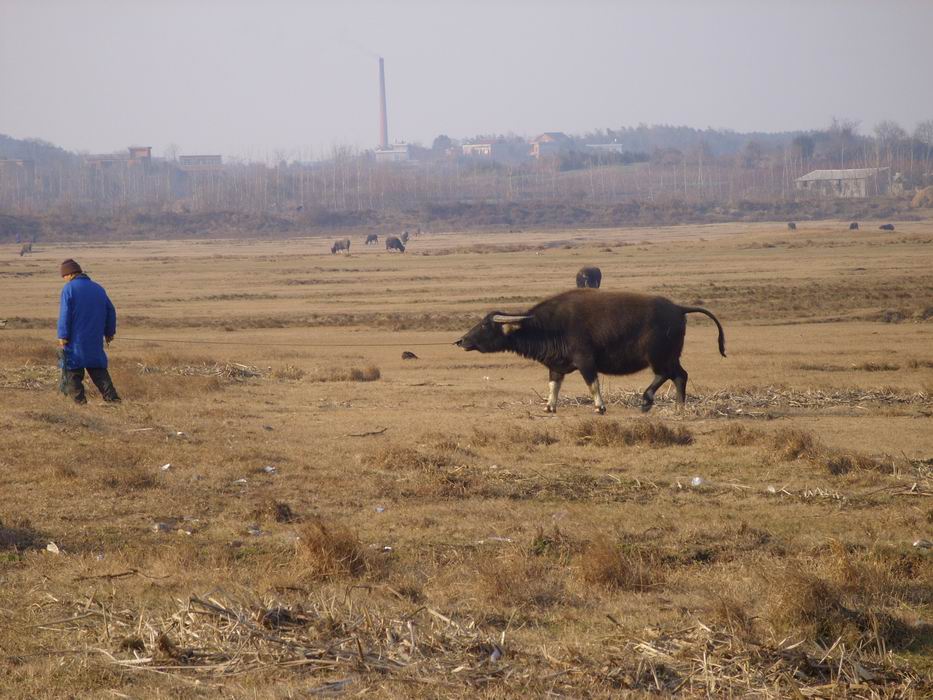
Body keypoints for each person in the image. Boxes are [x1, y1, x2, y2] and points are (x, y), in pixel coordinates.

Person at [57, 259, 120, 404]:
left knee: (73, 371)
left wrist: (63, 335)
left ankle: (79, 403)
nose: (64, 280)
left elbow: (65, 313)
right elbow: (110, 310)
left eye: (64, 276)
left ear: (70, 274)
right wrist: (109, 332)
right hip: (94, 338)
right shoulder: (98, 288)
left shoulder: (69, 289)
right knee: (98, 369)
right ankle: (113, 399)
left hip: (75, 339)